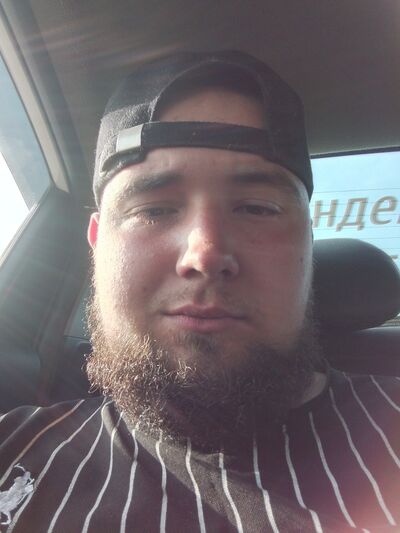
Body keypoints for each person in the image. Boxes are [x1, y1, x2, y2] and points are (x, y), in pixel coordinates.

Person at [0, 50, 399, 532]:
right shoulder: (12, 450)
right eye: (152, 210)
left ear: (308, 242)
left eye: (257, 208)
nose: (205, 253)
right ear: (98, 242)